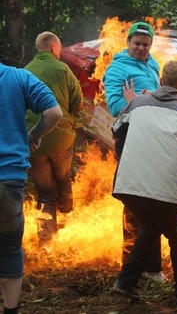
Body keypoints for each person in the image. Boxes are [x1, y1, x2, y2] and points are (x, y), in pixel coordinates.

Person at [110, 60, 177, 313]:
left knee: (150, 226)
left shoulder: (137, 103)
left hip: (128, 183)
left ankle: (126, 280)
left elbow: (116, 130)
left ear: (160, 81)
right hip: (162, 186)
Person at [103, 21, 165, 282]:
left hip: (149, 136)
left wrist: (151, 97)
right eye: (137, 43)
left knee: (153, 198)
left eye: (146, 44)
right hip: (129, 139)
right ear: (128, 42)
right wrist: (143, 100)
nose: (141, 48)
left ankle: (149, 265)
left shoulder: (153, 64)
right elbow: (116, 106)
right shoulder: (117, 68)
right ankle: (132, 265)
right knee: (133, 200)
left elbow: (155, 95)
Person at [0, 62, 62, 314]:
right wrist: (34, 135)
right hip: (9, 179)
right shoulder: (17, 77)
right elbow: (54, 113)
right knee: (10, 250)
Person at [25, 31, 83, 244]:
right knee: (63, 179)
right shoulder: (63, 69)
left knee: (45, 193)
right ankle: (67, 213)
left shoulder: (25, 71)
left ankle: (45, 239)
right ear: (53, 48)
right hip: (60, 138)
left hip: (33, 141)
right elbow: (77, 102)